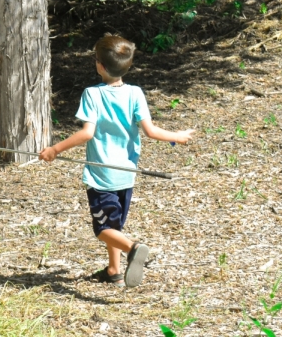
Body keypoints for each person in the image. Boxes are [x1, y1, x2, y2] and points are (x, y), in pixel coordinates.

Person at [39, 34, 194, 288]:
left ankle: (134, 249)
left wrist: (55, 149)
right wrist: (178, 136)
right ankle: (114, 270)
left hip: (103, 177)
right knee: (115, 224)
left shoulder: (92, 94)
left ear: (99, 64)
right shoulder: (135, 93)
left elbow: (87, 133)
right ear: (127, 66)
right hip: (126, 174)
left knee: (102, 229)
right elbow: (152, 131)